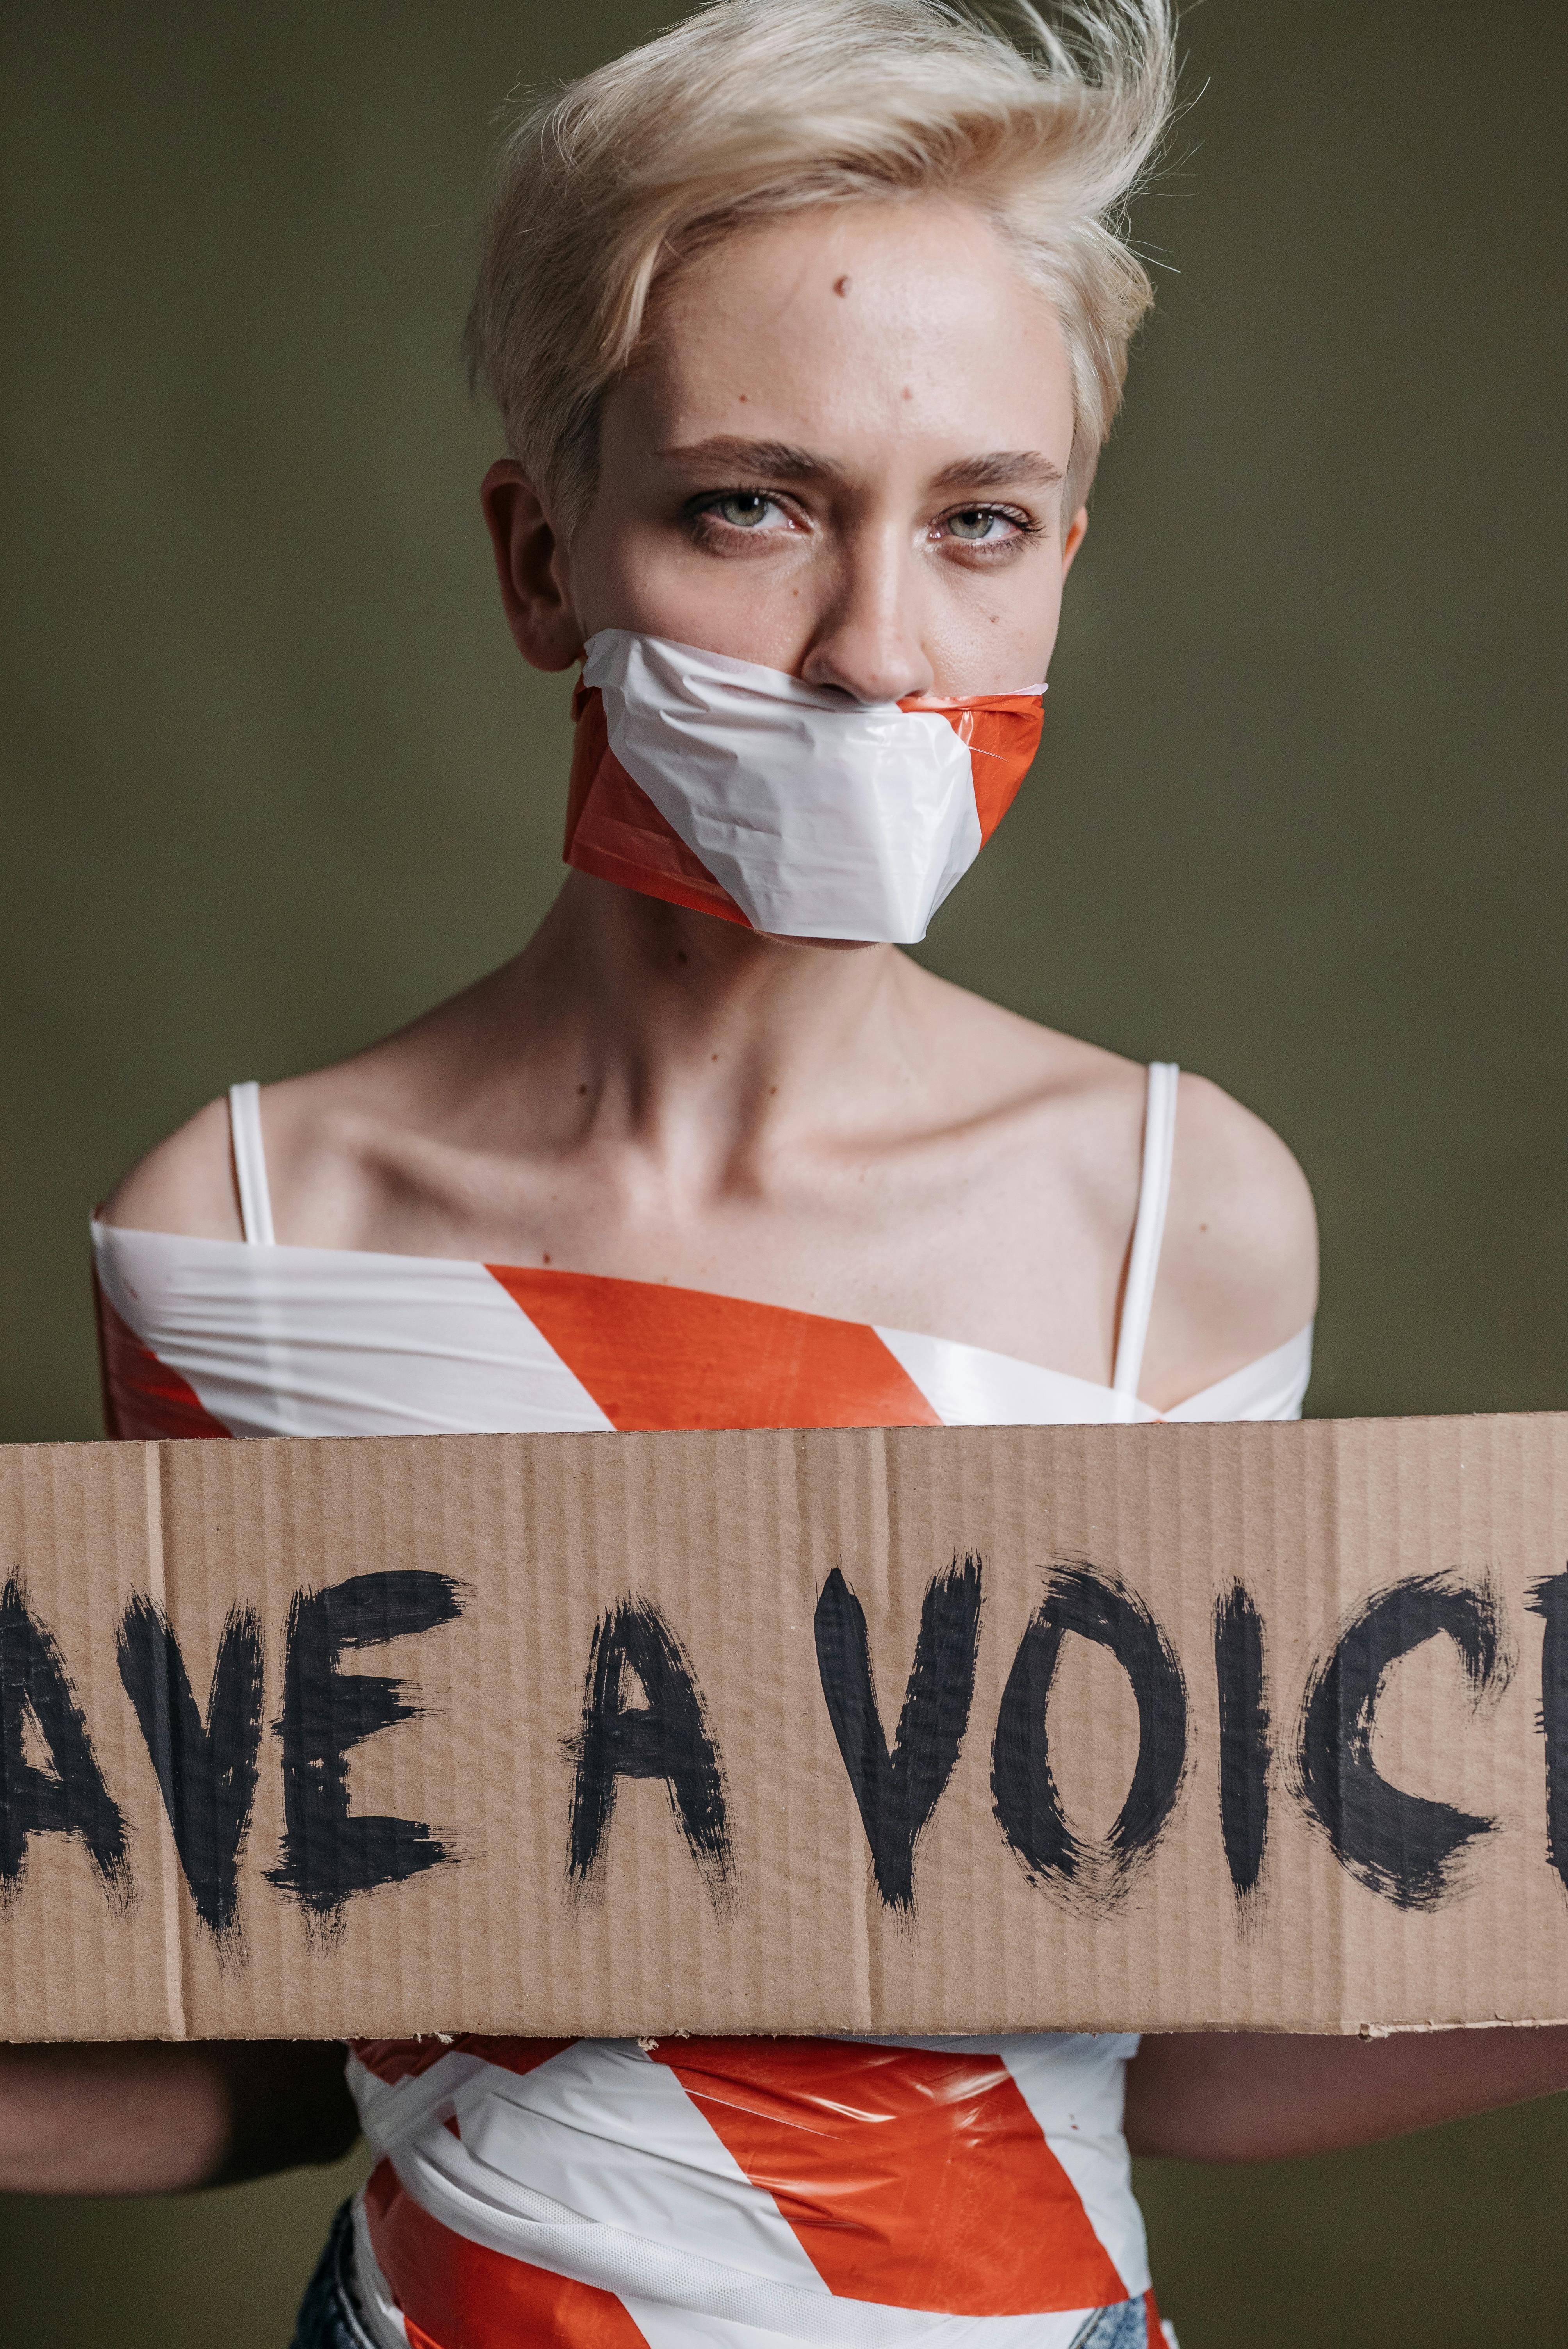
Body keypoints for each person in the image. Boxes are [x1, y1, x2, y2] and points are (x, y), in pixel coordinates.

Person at [16, 2, 1568, 2343]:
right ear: (547, 564)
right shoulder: (242, 1233)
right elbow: (277, 2043)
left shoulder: (1176, 1217)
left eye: (982, 522)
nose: (875, 652)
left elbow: (1145, 2011)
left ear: (1062, 554)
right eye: (752, 504)